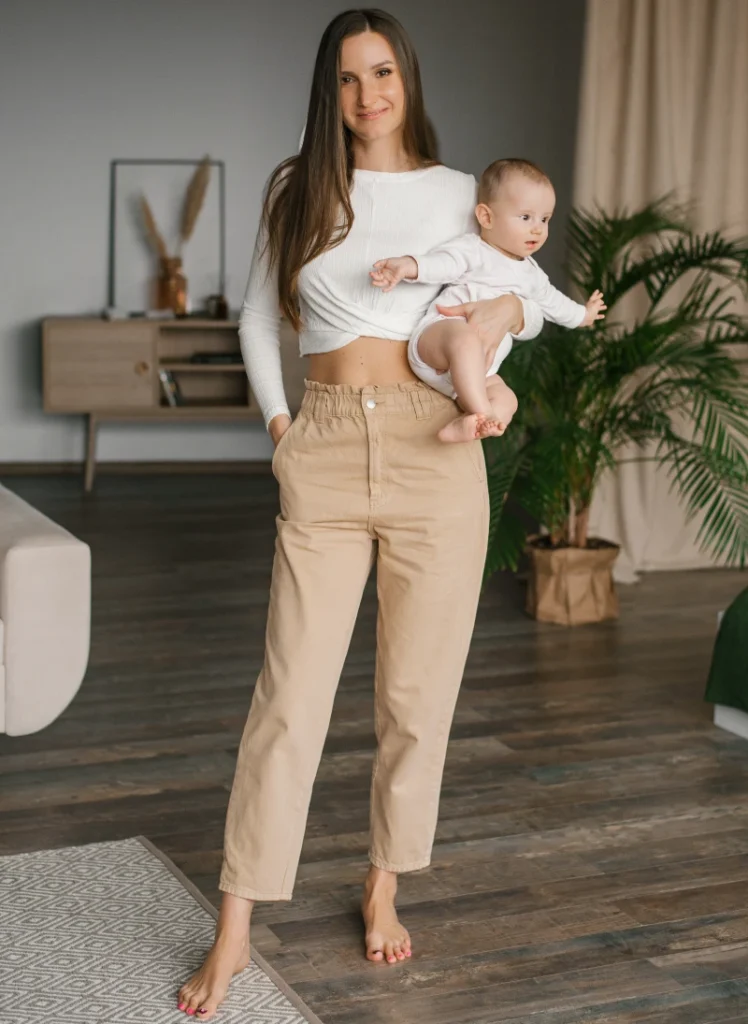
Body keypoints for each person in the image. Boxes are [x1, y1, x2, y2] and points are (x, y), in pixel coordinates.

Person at [177, 9, 545, 1019]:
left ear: (406, 78)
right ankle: (236, 927)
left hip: (434, 447)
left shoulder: (455, 193)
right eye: (347, 79)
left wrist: (490, 381)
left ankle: (382, 883)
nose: (367, 95)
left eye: (382, 73)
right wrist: (281, 425)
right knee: (287, 696)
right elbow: (260, 312)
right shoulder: (298, 189)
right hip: (327, 441)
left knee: (414, 696)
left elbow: (488, 299)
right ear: (328, 93)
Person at [370, 157, 606, 443]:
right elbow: (441, 264)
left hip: (477, 376)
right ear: (486, 217)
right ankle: (482, 413)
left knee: (508, 398)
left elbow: (553, 303)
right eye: (526, 217)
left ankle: (471, 424)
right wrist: (408, 266)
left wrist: (583, 315)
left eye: (545, 219)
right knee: (465, 339)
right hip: (439, 340)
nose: (538, 229)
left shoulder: (532, 275)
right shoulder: (474, 250)